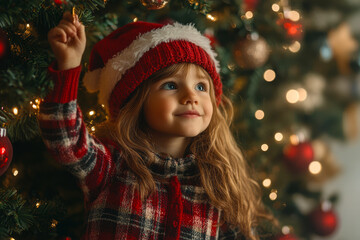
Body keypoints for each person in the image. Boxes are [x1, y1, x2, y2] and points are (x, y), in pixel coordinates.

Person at [39, 11, 272, 240]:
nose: (191, 96)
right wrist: (68, 65)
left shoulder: (216, 185)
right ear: (137, 101)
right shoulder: (112, 165)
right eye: (171, 85)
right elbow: (66, 140)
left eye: (201, 87)